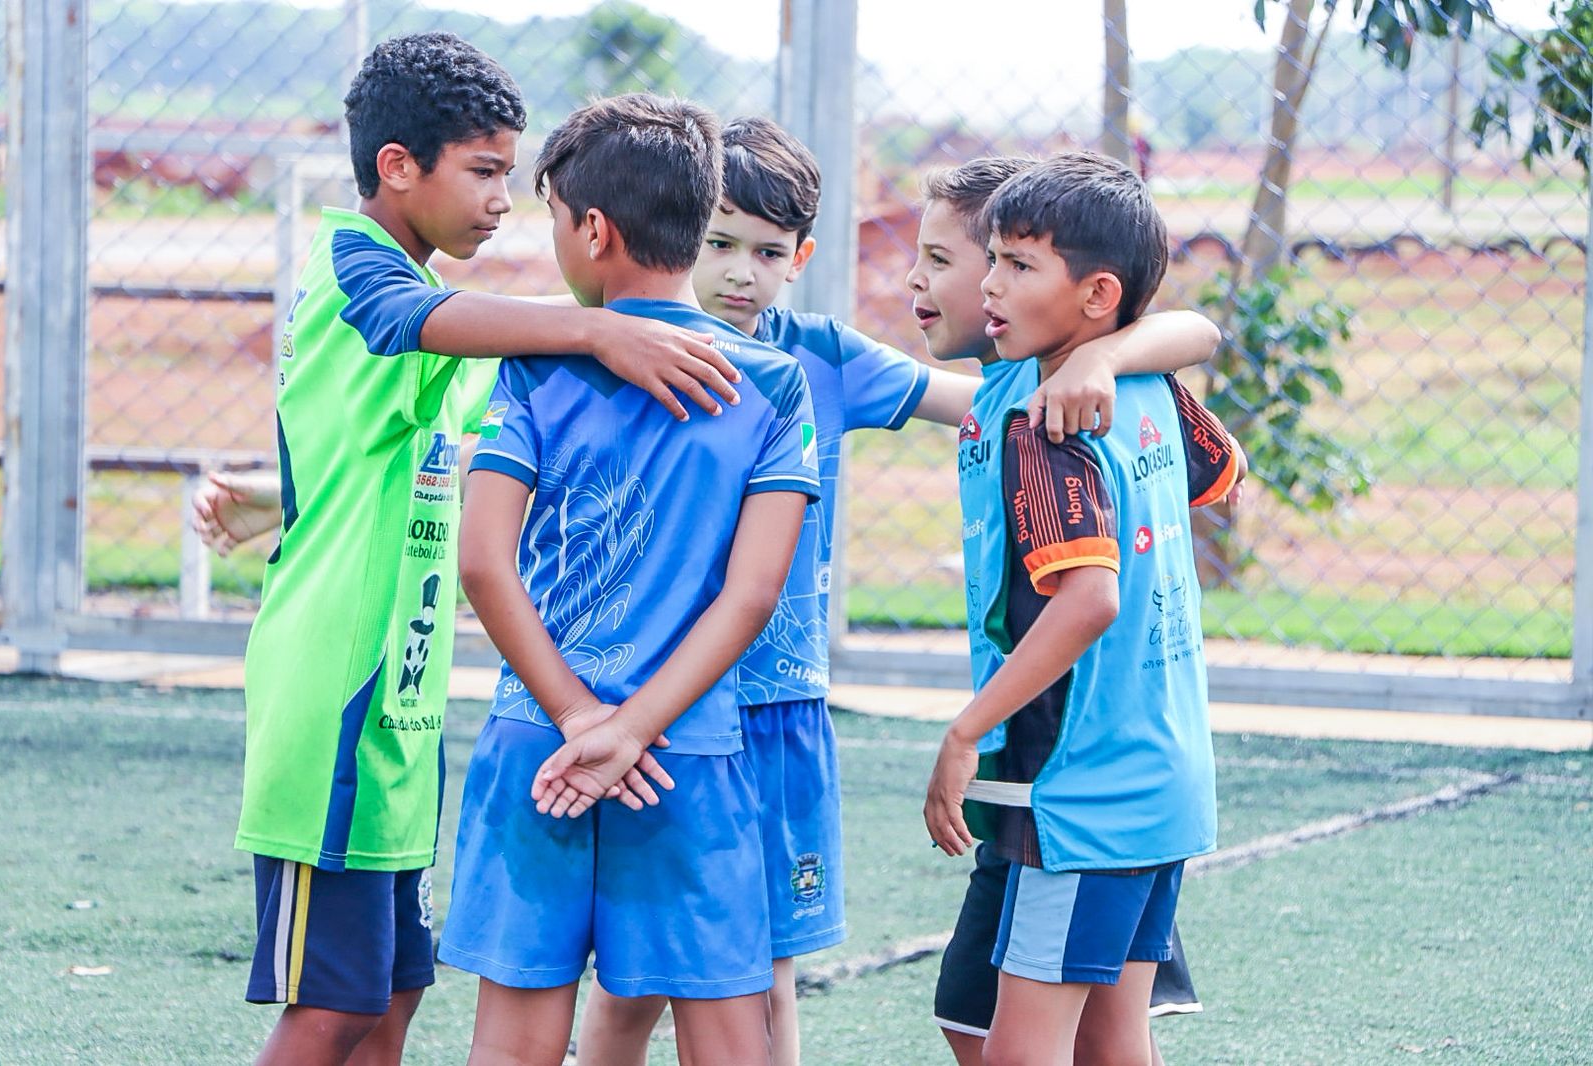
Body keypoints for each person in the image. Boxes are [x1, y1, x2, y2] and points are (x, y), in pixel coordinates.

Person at [576, 121, 1223, 1066]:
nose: (927, 282)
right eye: (718, 241)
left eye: (977, 262)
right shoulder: (618, 349)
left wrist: (1104, 356)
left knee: (785, 969)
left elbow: (1096, 580)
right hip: (659, 708)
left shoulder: (1021, 403)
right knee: (641, 977)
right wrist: (1106, 353)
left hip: (1048, 776)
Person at [231, 35, 741, 1066]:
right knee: (330, 1007)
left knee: (390, 995)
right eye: (483, 170)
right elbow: (411, 320)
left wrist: (268, 495)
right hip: (333, 691)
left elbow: (422, 448)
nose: (502, 200)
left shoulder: (449, 326)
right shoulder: (356, 273)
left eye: (512, 175)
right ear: (397, 167)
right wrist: (598, 328)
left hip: (403, 700)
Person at [435, 92, 819, 1066]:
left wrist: (579, 718)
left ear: (594, 230)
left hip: (540, 743)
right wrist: (635, 728)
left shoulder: (533, 365)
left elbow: (481, 560)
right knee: (726, 1040)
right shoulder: (774, 384)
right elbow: (752, 595)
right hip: (687, 750)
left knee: (512, 1044)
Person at [912, 156, 1230, 1066]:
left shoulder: (1048, 420)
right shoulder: (1141, 391)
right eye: (990, 260)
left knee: (1021, 1051)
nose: (990, 284)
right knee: (1108, 1041)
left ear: (1095, 293)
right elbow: (1223, 462)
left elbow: (1090, 599)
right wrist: (1109, 352)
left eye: (1014, 264)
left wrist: (966, 731)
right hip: (1163, 776)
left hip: (1083, 794)